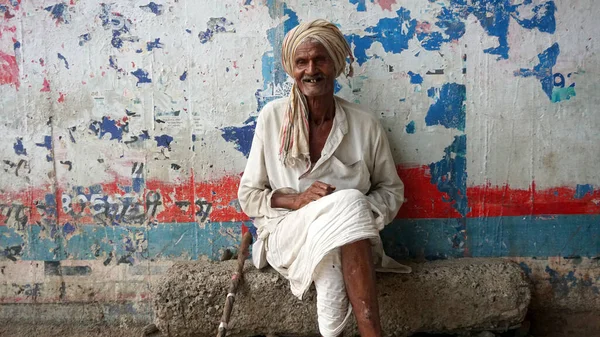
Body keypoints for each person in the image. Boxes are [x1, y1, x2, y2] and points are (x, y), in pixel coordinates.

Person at [238, 19, 410, 337]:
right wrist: (298, 200)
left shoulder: (365, 124)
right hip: (286, 234)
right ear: (292, 69)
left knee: (338, 236)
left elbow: (391, 190)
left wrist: (354, 217)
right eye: (302, 62)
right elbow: (249, 195)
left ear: (336, 65)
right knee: (348, 202)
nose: (311, 69)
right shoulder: (272, 118)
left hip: (349, 245)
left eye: (320, 59)